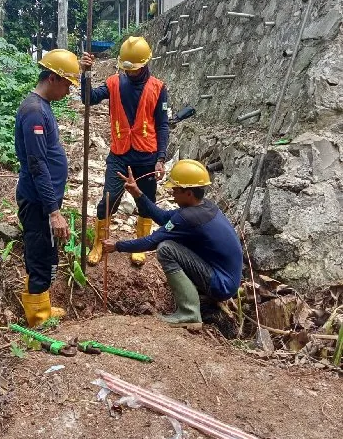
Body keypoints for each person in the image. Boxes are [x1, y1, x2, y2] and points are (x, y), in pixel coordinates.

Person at [102, 160, 243, 329]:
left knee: (166, 248)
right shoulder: (204, 207)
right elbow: (163, 218)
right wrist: (137, 193)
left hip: (221, 284)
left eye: (175, 190)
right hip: (227, 278)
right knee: (174, 243)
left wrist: (117, 245)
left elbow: (151, 242)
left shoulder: (188, 217)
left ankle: (189, 313)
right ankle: (196, 298)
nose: (172, 193)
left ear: (189, 193)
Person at [15, 48, 94, 327]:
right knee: (39, 256)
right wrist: (53, 211)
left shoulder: (42, 107)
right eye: (67, 84)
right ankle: (37, 321)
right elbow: (37, 164)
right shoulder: (35, 112)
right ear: (52, 78)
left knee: (45, 254)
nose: (68, 90)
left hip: (43, 200)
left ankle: (41, 308)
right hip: (37, 202)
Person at [81, 36, 169, 267]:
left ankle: (141, 243)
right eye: (127, 69)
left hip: (147, 156)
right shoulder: (113, 83)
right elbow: (88, 98)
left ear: (145, 64)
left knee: (146, 202)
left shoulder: (158, 88)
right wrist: (86, 74)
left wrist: (161, 158)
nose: (130, 73)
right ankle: (100, 242)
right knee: (108, 200)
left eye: (134, 69)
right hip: (119, 155)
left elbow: (162, 124)